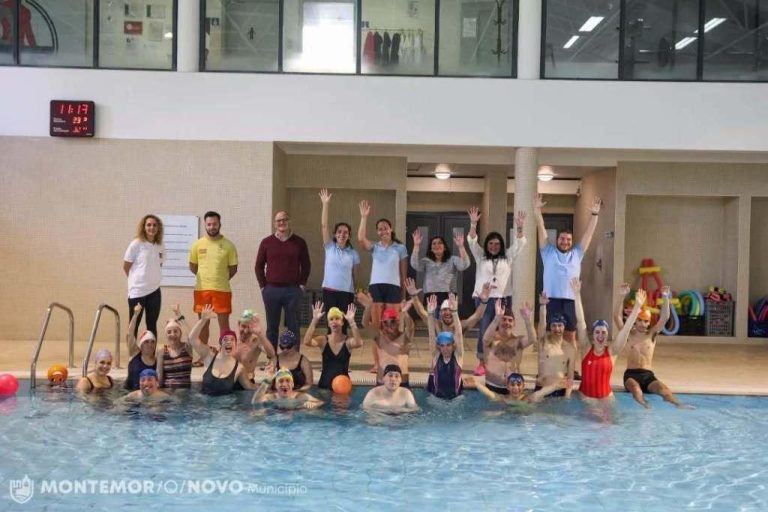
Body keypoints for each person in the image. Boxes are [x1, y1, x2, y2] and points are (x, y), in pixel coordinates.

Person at [466, 207, 527, 376]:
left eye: (497, 244)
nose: (494, 246)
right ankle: (482, 362)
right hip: (484, 299)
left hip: (502, 299)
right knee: (485, 329)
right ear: (487, 245)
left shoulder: (508, 257)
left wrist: (520, 227)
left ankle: (501, 361)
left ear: (501, 246)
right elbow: (472, 241)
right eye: (491, 244)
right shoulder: (481, 257)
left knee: (503, 330)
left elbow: (520, 243)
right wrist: (473, 223)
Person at [534, 194, 601, 345]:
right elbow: (541, 228)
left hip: (571, 300)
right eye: (562, 239)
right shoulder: (548, 251)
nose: (565, 242)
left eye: (568, 240)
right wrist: (537, 210)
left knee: (571, 337)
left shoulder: (577, 253)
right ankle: (548, 360)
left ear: (572, 242)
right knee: (549, 336)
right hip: (550, 299)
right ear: (557, 240)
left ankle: (570, 361)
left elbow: (589, 234)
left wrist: (595, 214)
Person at [614, 284, 693, 409]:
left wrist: (665, 297)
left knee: (664, 390)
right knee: (636, 389)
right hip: (631, 375)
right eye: (640, 320)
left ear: (649, 323)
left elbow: (665, 317)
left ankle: (678, 404)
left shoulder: (651, 335)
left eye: (646, 321)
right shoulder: (628, 334)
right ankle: (644, 406)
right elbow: (616, 316)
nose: (642, 324)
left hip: (648, 375)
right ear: (635, 320)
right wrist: (621, 296)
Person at [572, 279, 645, 401]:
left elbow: (626, 330)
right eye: (597, 332)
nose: (600, 335)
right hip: (586, 399)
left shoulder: (612, 351)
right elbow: (580, 321)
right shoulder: (586, 348)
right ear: (593, 334)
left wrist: (637, 307)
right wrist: (577, 294)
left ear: (607, 335)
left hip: (607, 400)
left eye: (603, 332)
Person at [357, 200, 408, 374]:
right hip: (376, 287)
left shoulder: (400, 248)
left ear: (391, 229)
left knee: (393, 327)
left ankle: (393, 360)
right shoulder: (375, 247)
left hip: (393, 288)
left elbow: (403, 273)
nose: (383, 231)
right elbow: (361, 239)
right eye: (380, 229)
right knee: (376, 327)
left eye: (385, 228)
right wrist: (364, 217)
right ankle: (377, 363)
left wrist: (403, 296)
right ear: (377, 232)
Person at [255, 210, 311, 351]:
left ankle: (293, 357)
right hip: (271, 290)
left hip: (293, 291)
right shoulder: (266, 242)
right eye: (279, 220)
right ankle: (272, 357)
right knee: (272, 327)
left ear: (289, 221)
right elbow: (258, 266)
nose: (282, 222)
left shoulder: (299, 242)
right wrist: (263, 287)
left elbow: (306, 265)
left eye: (284, 219)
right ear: (275, 224)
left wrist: (302, 285)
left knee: (293, 326)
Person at [189, 211, 238, 365]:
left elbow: (233, 269)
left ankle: (226, 355)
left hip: (222, 290)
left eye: (214, 224)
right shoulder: (197, 244)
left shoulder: (229, 245)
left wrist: (220, 279)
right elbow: (193, 266)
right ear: (205, 225)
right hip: (202, 290)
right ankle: (204, 356)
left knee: (224, 326)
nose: (212, 227)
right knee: (203, 324)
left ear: (219, 224)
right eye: (209, 224)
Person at [319, 189, 360, 334]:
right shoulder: (329, 247)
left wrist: (355, 291)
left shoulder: (353, 253)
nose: (342, 234)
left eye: (345, 232)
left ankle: (343, 346)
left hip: (346, 293)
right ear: (335, 234)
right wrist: (325, 204)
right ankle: (330, 346)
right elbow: (324, 225)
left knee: (344, 324)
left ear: (349, 235)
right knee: (331, 324)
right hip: (329, 291)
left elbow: (355, 275)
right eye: (339, 232)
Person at [190, 305, 253, 395]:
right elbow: (192, 339)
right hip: (204, 403)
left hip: (226, 404)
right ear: (220, 343)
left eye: (232, 340)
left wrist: (267, 384)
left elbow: (250, 387)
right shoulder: (209, 356)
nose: (229, 342)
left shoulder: (239, 368)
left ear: (235, 345)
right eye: (225, 339)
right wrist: (203, 320)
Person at [358, 292, 415, 387]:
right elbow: (365, 323)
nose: (389, 325)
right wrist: (368, 307)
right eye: (386, 322)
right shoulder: (379, 337)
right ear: (382, 323)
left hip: (402, 384)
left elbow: (410, 327)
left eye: (392, 322)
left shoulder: (404, 338)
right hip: (382, 383)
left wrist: (405, 312)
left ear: (398, 322)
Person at [405, 277, 490, 340]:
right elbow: (421, 312)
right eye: (445, 310)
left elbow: (477, 316)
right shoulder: (436, 325)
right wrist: (414, 296)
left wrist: (484, 302)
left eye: (450, 310)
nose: (448, 312)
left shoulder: (461, 326)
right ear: (440, 313)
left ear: (455, 311)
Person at [481, 299, 537, 395]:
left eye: (510, 320)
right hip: (492, 387)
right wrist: (497, 318)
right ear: (499, 322)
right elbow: (485, 340)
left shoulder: (517, 341)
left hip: (513, 390)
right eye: (504, 319)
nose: (507, 322)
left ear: (514, 323)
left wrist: (527, 320)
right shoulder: (491, 339)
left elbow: (532, 339)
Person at [303, 302, 363, 389]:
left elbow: (359, 343)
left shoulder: (347, 342)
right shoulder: (323, 340)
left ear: (342, 322)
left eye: (337, 318)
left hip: (343, 387)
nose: (334, 321)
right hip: (324, 387)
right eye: (331, 319)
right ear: (328, 324)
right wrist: (314, 320)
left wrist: (352, 322)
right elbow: (306, 342)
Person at [410, 229, 470, 313]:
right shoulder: (426, 261)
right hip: (430, 295)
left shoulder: (452, 259)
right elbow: (414, 264)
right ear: (431, 248)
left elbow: (464, 265)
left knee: (447, 319)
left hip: (449, 295)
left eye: (439, 243)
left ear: (444, 247)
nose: (436, 245)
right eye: (434, 243)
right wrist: (416, 245)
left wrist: (461, 246)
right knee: (430, 319)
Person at [123, 214, 164, 338]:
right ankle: (132, 350)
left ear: (158, 228)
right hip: (137, 292)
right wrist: (136, 281)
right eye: (149, 225)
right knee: (133, 325)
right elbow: (126, 266)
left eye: (154, 225)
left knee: (152, 325)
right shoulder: (136, 244)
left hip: (154, 291)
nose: (152, 227)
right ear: (144, 227)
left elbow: (159, 265)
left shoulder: (160, 245)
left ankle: (150, 350)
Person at [535, 293, 575, 399]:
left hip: (559, 392)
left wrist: (567, 398)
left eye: (560, 325)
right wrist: (543, 306)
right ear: (550, 327)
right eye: (554, 326)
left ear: (564, 326)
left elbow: (570, 378)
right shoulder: (544, 342)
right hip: (541, 389)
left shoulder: (570, 349)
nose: (557, 329)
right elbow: (542, 324)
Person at [425, 294, 464, 400]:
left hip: (456, 401)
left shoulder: (458, 356)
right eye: (442, 345)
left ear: (453, 345)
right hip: (437, 401)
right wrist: (430, 314)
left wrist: (455, 312)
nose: (445, 348)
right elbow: (431, 334)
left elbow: (459, 334)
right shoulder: (436, 356)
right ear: (439, 346)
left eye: (448, 345)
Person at [157, 304, 193, 390]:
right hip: (167, 393)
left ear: (180, 333)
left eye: (175, 331)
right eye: (169, 332)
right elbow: (159, 377)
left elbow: (192, 335)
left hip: (184, 394)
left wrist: (179, 315)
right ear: (166, 335)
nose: (172, 334)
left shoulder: (187, 348)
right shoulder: (162, 350)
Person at [251, 368, 323, 409]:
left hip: (296, 420)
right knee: (257, 414)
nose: (284, 384)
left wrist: (313, 405)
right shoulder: (272, 397)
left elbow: (320, 402)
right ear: (276, 385)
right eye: (281, 381)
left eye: (288, 381)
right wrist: (266, 382)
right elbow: (255, 402)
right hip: (276, 418)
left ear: (292, 384)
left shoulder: (300, 396)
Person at [234, 309, 276, 379]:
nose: (246, 331)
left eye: (249, 327)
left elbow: (271, 354)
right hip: (232, 380)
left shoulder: (256, 341)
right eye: (243, 326)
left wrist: (260, 334)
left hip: (248, 380)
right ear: (239, 324)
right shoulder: (232, 339)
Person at [124, 304, 157, 391]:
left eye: (152, 342)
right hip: (128, 394)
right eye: (146, 342)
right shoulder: (134, 353)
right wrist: (135, 315)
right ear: (141, 345)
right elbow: (130, 334)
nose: (150, 344)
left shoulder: (157, 362)